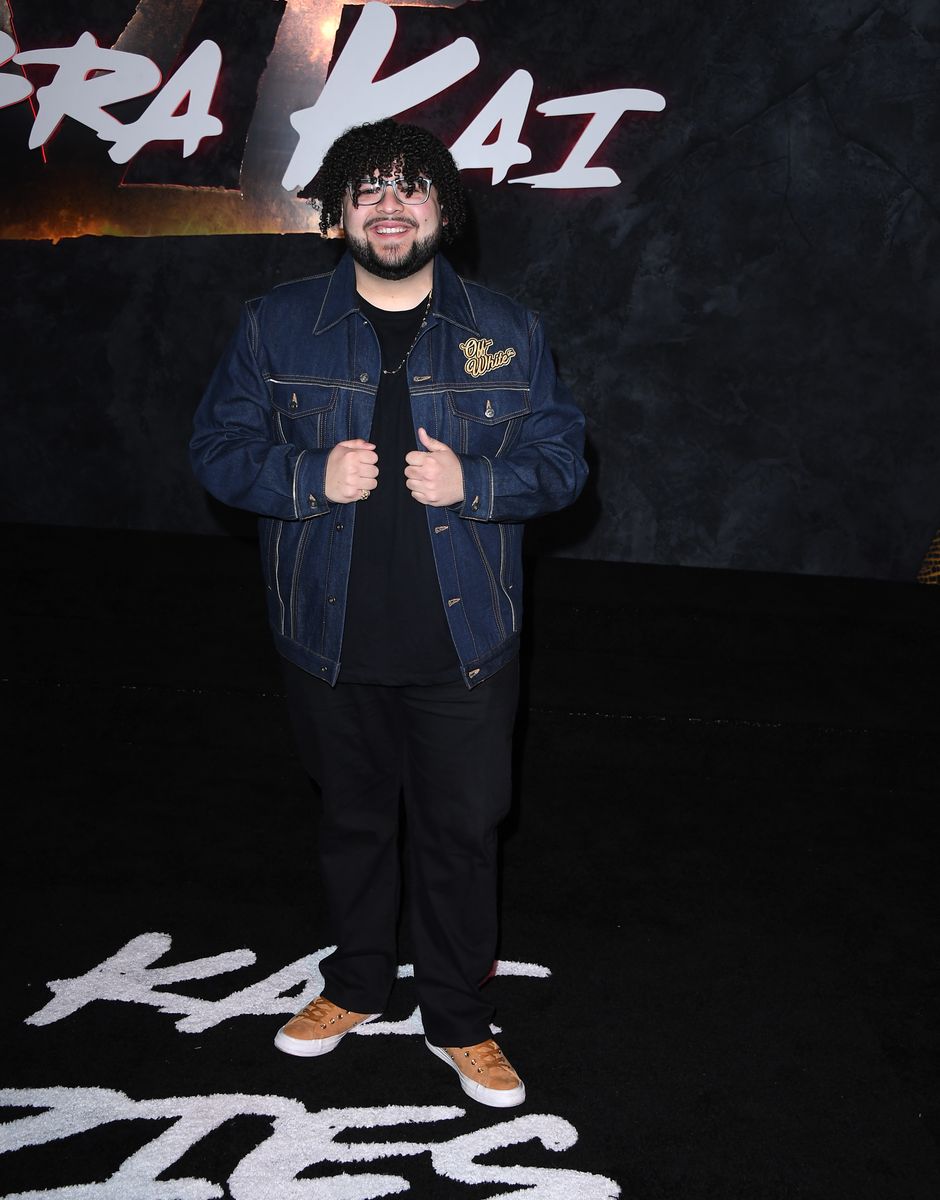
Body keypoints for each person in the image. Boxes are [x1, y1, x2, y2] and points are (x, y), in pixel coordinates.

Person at [190, 119, 587, 1108]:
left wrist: (477, 481)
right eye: (365, 191)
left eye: (410, 189)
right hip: (326, 636)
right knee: (354, 823)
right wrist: (306, 472)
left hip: (465, 641)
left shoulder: (506, 330)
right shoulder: (274, 325)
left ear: (444, 210)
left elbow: (563, 461)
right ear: (334, 217)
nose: (389, 206)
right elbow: (215, 448)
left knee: (460, 833)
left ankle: (457, 1017)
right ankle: (358, 983)